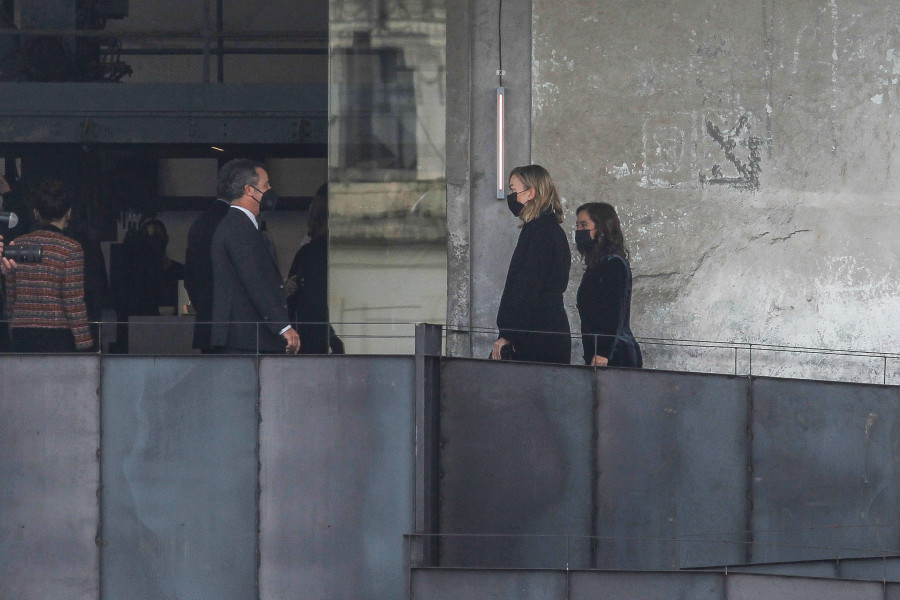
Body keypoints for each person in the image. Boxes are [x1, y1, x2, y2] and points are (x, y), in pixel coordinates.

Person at [210, 159, 300, 354]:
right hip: (247, 340)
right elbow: (255, 280)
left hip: (245, 338)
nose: (270, 189)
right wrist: (282, 326)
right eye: (266, 185)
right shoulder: (239, 228)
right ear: (249, 190)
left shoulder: (238, 225)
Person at [491, 164, 571, 364]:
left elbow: (526, 286)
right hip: (547, 331)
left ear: (531, 193)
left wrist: (509, 333)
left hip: (535, 336)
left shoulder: (538, 231)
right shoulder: (549, 229)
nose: (510, 195)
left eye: (513, 189)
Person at [4, 180, 93, 352]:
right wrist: (85, 344)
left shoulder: (18, 245)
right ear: (69, 213)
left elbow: (11, 296)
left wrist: (12, 330)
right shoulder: (71, 249)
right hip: (58, 335)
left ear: (36, 213)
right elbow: (73, 302)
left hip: (21, 333)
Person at [574, 201, 642, 368]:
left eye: (584, 225)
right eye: (577, 226)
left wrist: (604, 352)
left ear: (602, 229)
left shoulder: (613, 264)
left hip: (615, 356)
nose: (579, 231)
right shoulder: (596, 265)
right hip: (600, 354)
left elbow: (614, 311)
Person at [285, 183, 344, 354]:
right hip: (327, 342)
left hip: (310, 345)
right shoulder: (327, 253)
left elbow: (294, 304)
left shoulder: (308, 254)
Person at [185, 195, 230, 352]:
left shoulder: (199, 224)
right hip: (236, 328)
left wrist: (203, 306)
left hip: (206, 321)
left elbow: (189, 279)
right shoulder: (237, 222)